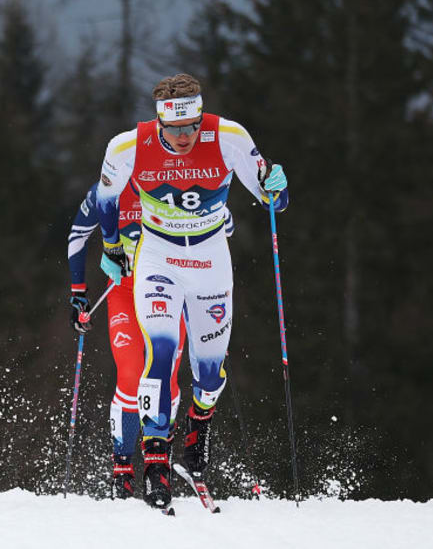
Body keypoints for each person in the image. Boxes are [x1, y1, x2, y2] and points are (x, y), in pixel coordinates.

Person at [89, 73, 288, 509]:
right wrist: (111, 245)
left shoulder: (229, 136)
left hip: (211, 260)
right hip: (158, 259)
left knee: (210, 372)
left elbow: (271, 199)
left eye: (191, 127)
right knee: (159, 353)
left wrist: (278, 188)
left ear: (201, 117)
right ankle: (155, 464)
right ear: (159, 121)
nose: (184, 137)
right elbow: (104, 198)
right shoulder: (126, 146)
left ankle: (197, 432)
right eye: (174, 129)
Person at [68, 182, 232, 498]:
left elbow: (223, 223)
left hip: (170, 291)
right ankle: (123, 469)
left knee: (166, 377)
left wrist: (221, 219)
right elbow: (77, 234)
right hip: (125, 293)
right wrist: (77, 293)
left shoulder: (177, 182)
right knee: (131, 375)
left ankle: (159, 463)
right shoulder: (108, 190)